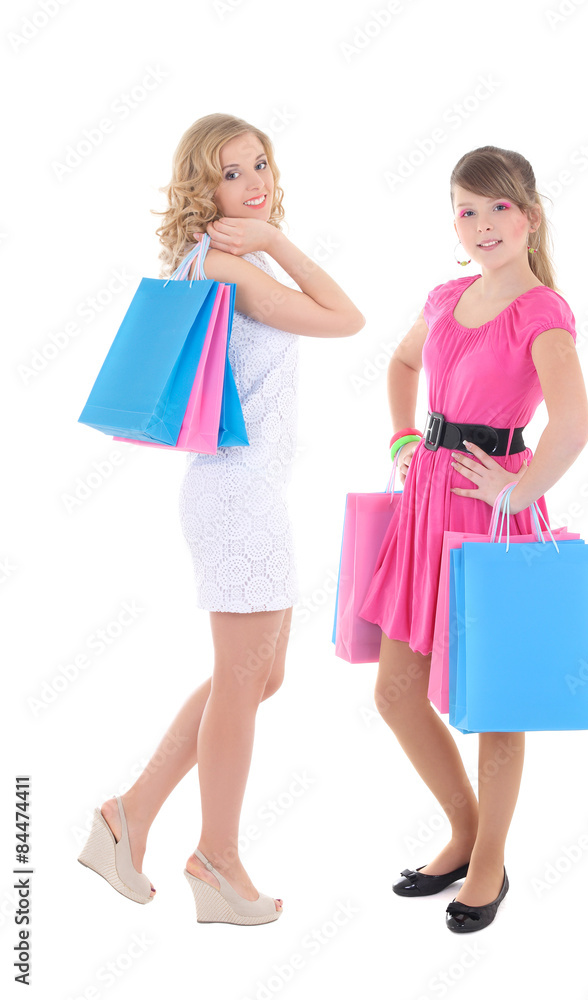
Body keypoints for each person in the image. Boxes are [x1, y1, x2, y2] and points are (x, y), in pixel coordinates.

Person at [77, 113, 364, 926]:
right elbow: (346, 318)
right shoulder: (235, 270)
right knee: (244, 682)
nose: (255, 182)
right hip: (237, 495)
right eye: (233, 173)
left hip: (242, 491)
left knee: (260, 676)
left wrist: (265, 237)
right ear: (204, 191)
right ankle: (217, 858)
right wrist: (274, 241)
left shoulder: (207, 260)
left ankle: (127, 815)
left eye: (261, 164)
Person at [358, 145, 588, 932]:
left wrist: (517, 491)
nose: (482, 224)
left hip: (489, 517)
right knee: (394, 693)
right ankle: (463, 831)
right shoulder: (446, 295)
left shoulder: (541, 311)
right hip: (426, 499)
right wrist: (400, 440)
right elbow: (397, 361)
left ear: (528, 214)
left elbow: (574, 424)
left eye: (497, 208)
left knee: (496, 698)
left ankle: (488, 861)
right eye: (465, 209)